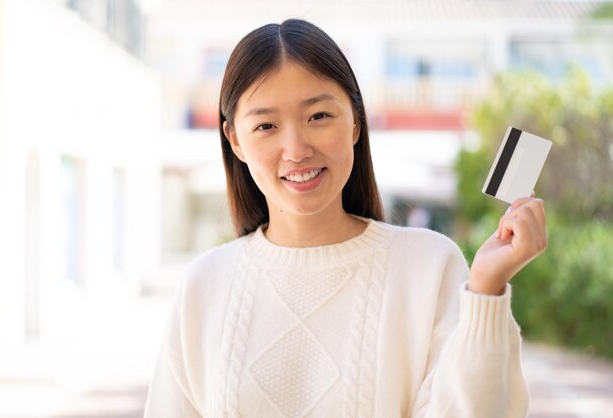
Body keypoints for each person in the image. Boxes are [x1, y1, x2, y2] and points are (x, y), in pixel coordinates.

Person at [144, 19, 547, 418]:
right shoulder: (205, 285)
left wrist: (486, 290)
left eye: (318, 116)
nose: (296, 149)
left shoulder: (428, 265)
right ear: (235, 140)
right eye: (266, 125)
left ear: (355, 120)